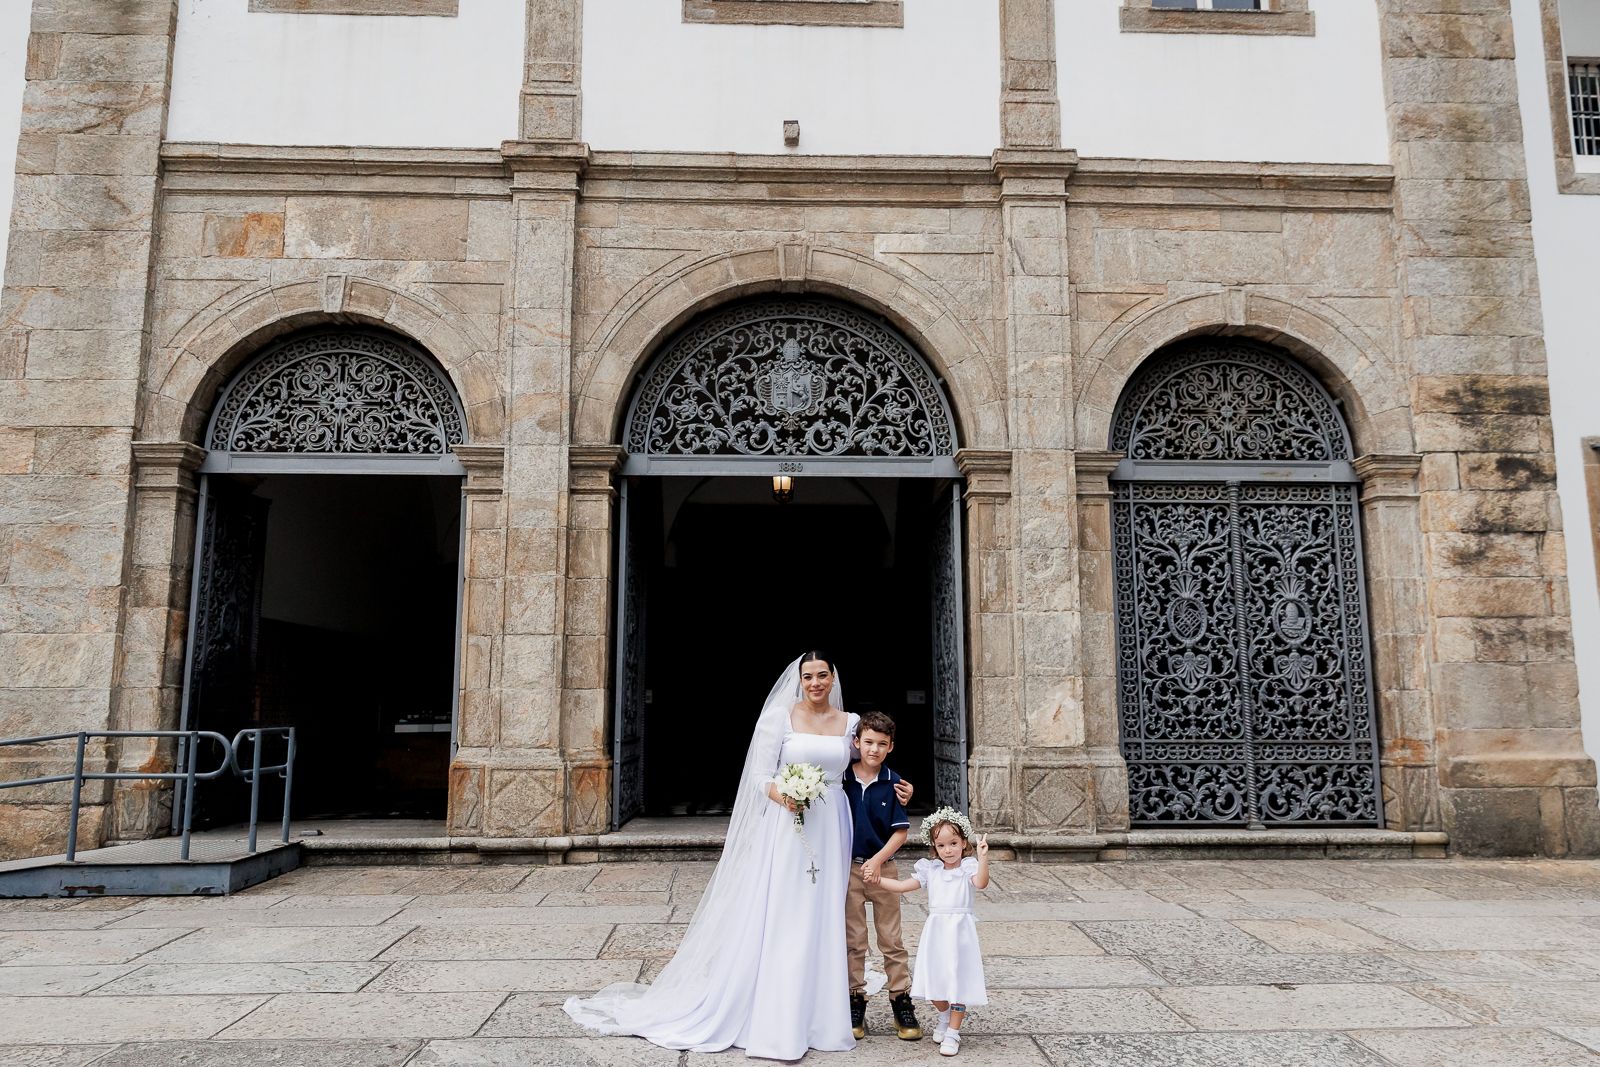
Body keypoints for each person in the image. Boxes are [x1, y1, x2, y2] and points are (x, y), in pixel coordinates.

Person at [564, 651, 875, 1060]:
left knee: (825, 910)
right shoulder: (778, 718)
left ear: (833, 678)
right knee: (787, 909)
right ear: (799, 680)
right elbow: (760, 775)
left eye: (822, 675)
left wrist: (895, 787)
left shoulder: (850, 723)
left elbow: (868, 763)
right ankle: (778, 1014)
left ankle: (822, 1013)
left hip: (832, 822)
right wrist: (785, 797)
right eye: (808, 676)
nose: (815, 683)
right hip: (788, 823)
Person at [873, 806, 990, 1057]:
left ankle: (953, 1032)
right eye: (942, 845)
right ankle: (945, 1015)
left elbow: (981, 883)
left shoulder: (968, 868)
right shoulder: (932, 870)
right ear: (934, 848)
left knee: (957, 981)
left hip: (960, 933)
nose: (948, 850)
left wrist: (983, 858)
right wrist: (878, 880)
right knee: (935, 983)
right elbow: (903, 886)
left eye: (953, 843)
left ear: (963, 843)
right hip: (936, 932)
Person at [842, 709, 921, 1041]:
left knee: (891, 939)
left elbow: (901, 832)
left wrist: (877, 861)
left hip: (883, 869)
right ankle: (854, 999)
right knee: (853, 939)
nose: (874, 749)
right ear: (856, 742)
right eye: (868, 742)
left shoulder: (893, 783)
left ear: (890, 747)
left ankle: (900, 999)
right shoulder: (841, 779)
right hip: (849, 870)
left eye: (881, 744)